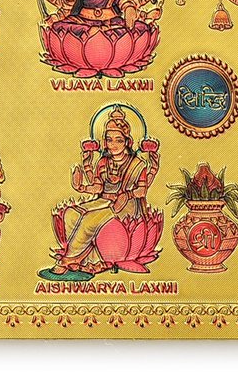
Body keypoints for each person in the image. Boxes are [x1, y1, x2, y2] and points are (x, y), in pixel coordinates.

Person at [51, 107, 158, 274]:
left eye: (118, 140)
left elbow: (142, 191)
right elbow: (98, 187)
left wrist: (127, 194)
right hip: (104, 200)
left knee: (89, 220)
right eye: (109, 140)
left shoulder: (137, 164)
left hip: (126, 205)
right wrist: (81, 187)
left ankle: (68, 260)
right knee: (71, 213)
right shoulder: (103, 161)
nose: (113, 145)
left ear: (127, 142)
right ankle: (86, 259)